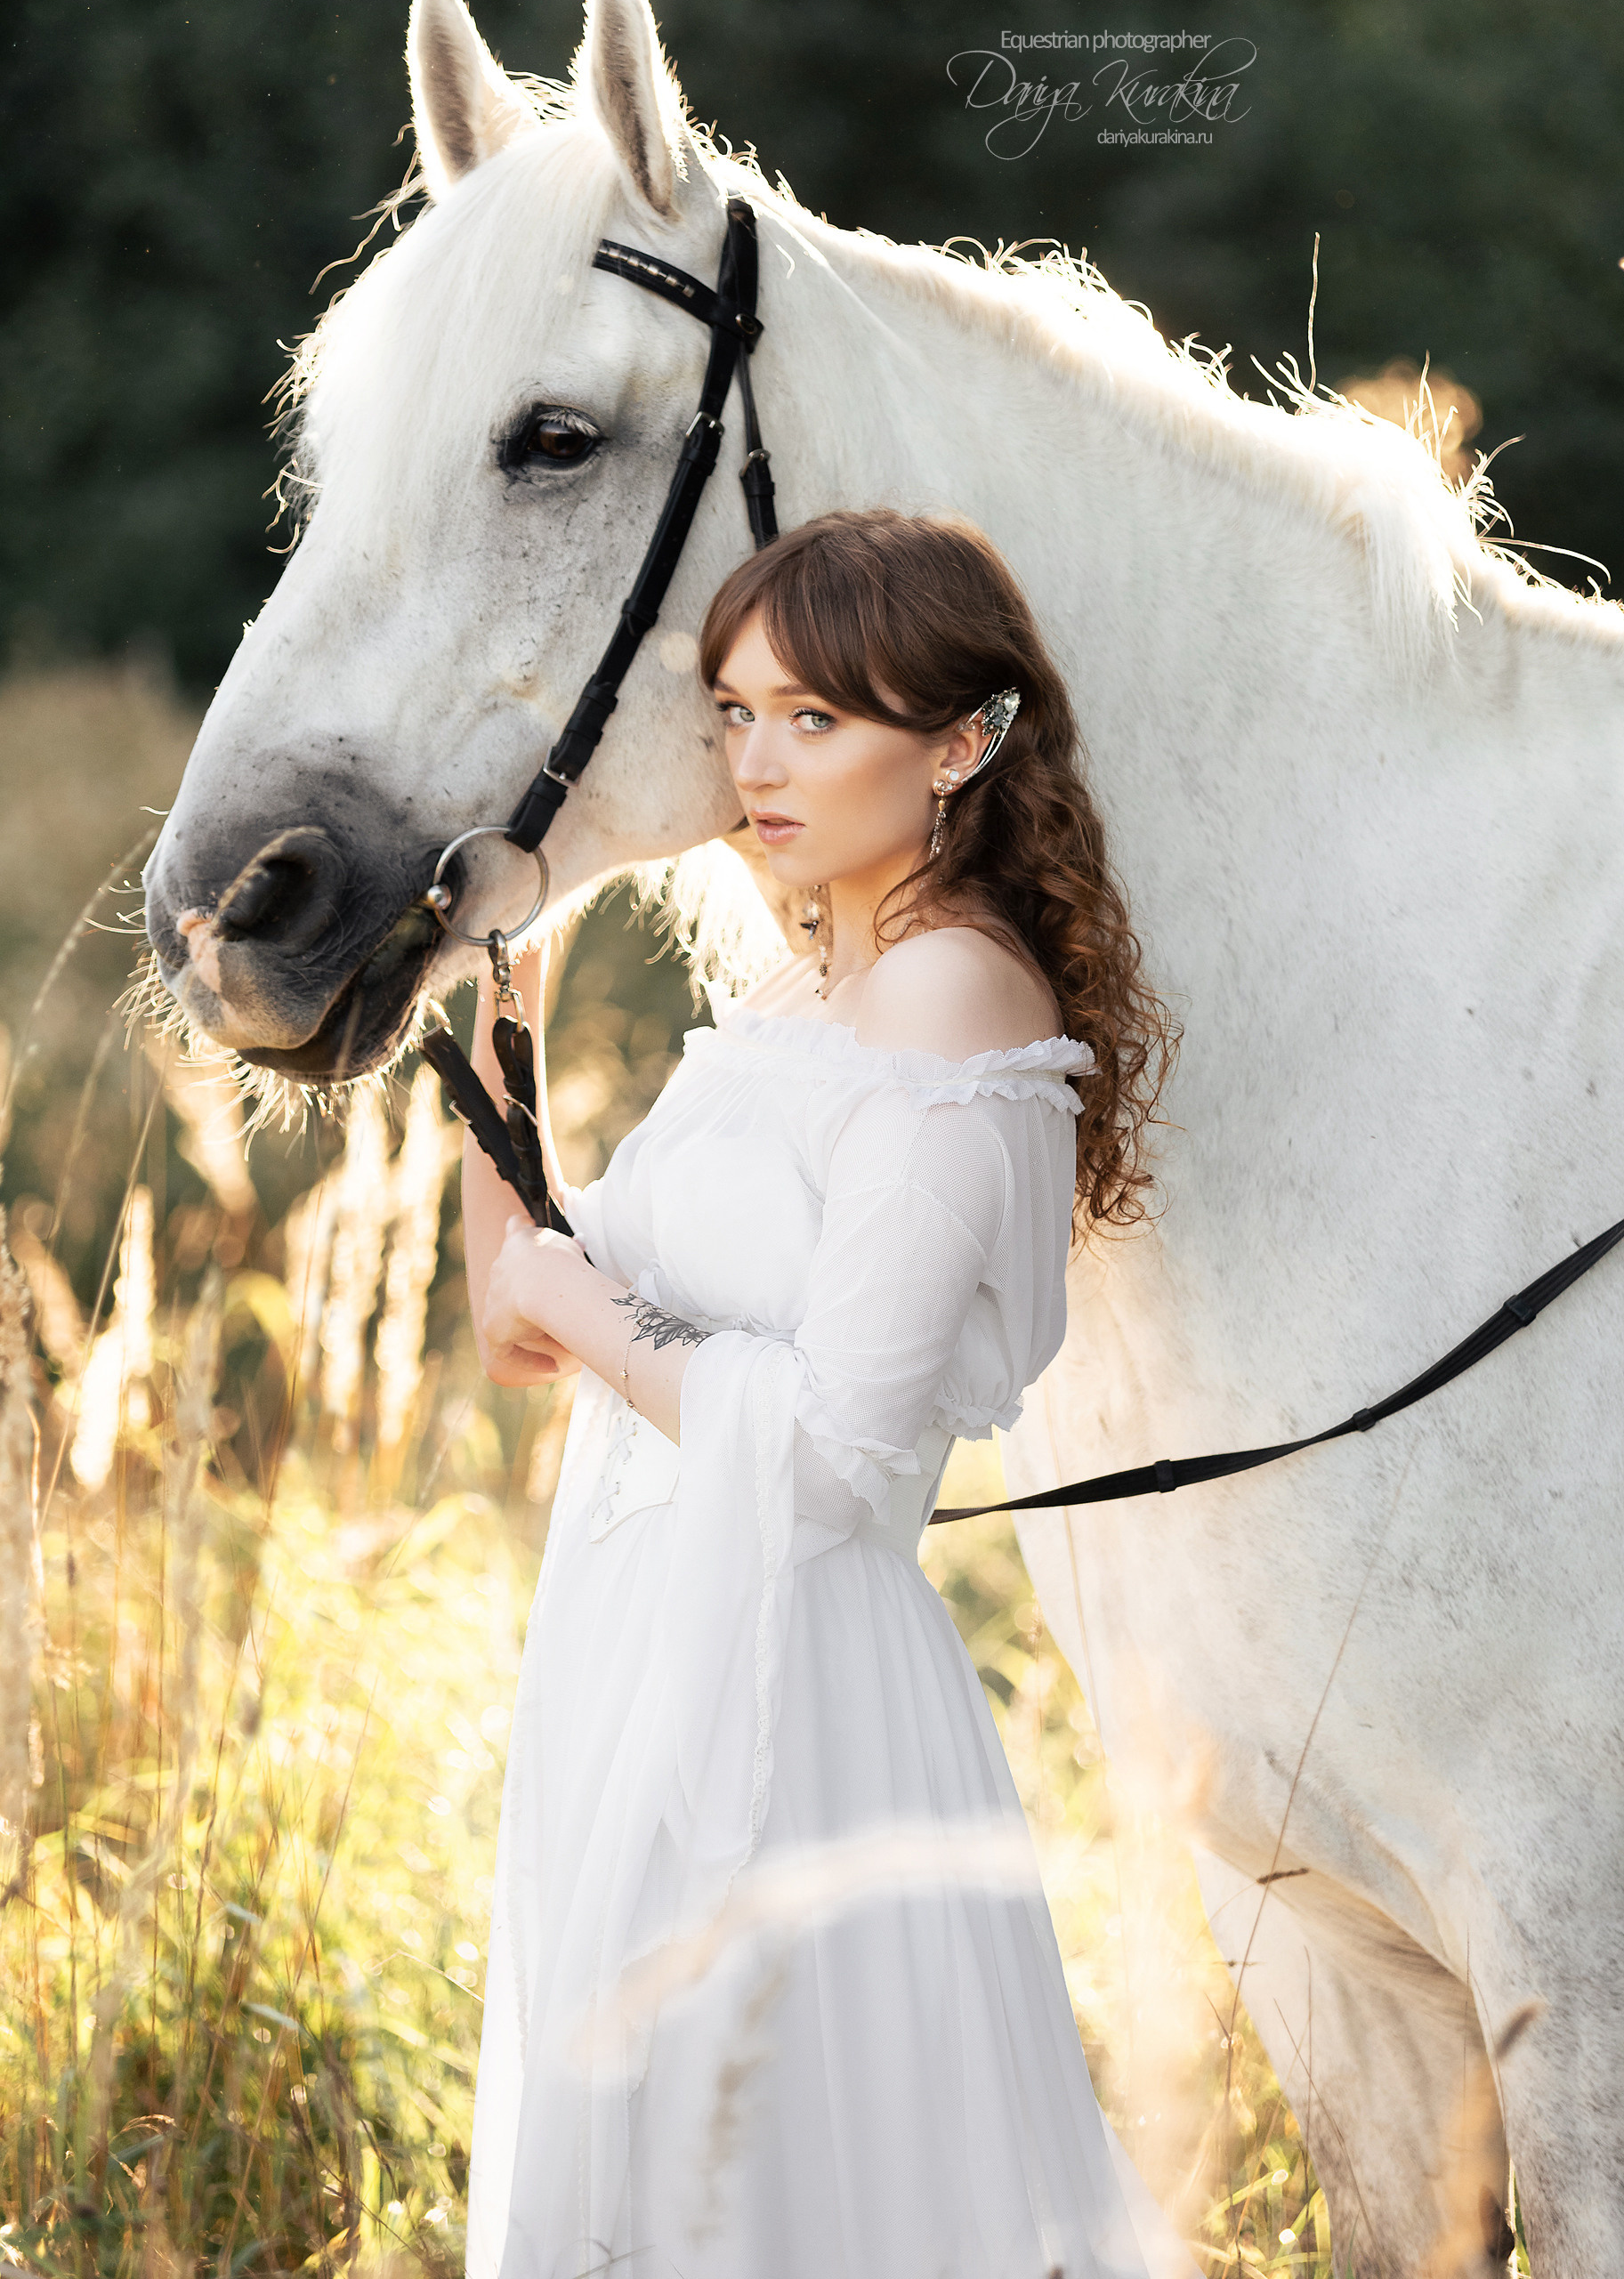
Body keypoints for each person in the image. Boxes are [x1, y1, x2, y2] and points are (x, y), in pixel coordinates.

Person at [461, 509, 1184, 2279]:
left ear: (958, 745)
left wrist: (585, 1304)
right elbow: (519, 1310)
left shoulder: (948, 996)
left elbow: (848, 1453)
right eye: (737, 712)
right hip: (638, 1645)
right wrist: (495, 1029)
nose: (756, 764)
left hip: (794, 1692)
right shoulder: (802, 985)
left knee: (786, 2189)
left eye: (816, 720)